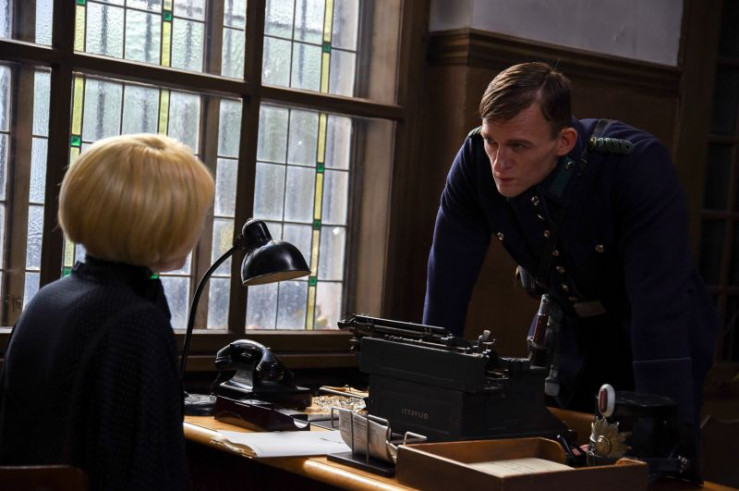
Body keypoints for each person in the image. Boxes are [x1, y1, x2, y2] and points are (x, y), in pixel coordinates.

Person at [423, 62, 718, 475]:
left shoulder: (634, 163)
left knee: (646, 461)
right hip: (569, 330)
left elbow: (659, 310)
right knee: (557, 458)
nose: (499, 163)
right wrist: (429, 397)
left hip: (656, 335)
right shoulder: (475, 157)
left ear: (564, 141)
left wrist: (663, 450)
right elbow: (446, 283)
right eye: (492, 141)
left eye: (519, 146)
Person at [0, 134, 215, 489]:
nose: (199, 229)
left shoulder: (51, 297)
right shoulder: (133, 321)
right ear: (160, 222)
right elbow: (148, 473)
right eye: (196, 215)